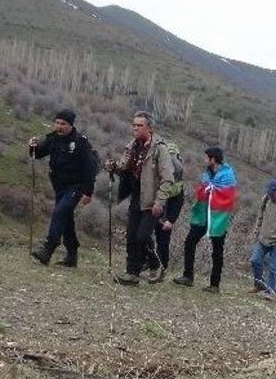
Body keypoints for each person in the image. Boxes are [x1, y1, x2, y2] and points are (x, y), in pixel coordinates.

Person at [107, 111, 175, 285]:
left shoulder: (160, 149)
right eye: (134, 125)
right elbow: (124, 168)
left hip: (153, 200)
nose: (135, 128)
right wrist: (113, 167)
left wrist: (160, 202)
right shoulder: (132, 146)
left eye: (139, 125)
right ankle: (134, 272)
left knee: (141, 236)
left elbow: (168, 178)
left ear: (150, 128)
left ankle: (142, 269)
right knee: (132, 236)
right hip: (136, 196)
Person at [28, 109, 96, 267]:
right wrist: (32, 147)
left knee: (60, 212)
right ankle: (72, 255)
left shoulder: (80, 142)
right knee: (66, 219)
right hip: (59, 186)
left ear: (71, 125)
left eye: (63, 124)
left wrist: (88, 192)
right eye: (57, 123)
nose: (59, 126)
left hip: (76, 186)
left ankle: (48, 249)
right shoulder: (52, 139)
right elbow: (38, 154)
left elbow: (89, 168)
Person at [172, 147, 237, 293]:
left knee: (217, 250)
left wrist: (212, 190)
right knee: (190, 242)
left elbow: (229, 196)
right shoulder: (207, 174)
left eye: (206, 158)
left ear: (213, 159)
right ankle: (188, 276)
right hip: (203, 216)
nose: (204, 160)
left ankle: (214, 284)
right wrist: (208, 189)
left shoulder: (228, 174)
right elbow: (202, 190)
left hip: (218, 218)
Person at [148, 141, 185, 282]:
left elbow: (178, 200)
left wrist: (170, 220)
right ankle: (153, 264)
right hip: (157, 210)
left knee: (162, 241)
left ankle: (161, 271)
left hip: (163, 213)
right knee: (148, 237)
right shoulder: (175, 175)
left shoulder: (174, 179)